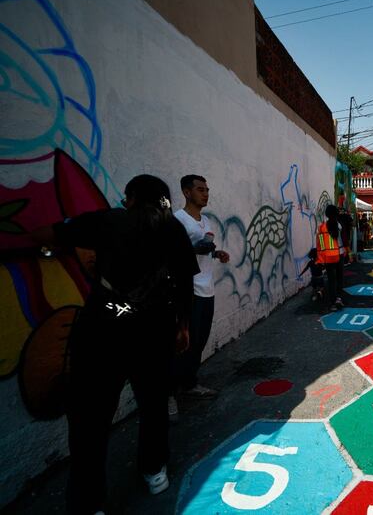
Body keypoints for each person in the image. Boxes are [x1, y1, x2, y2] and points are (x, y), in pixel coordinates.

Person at [31, 175, 198, 512]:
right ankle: (154, 471)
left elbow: (47, 235)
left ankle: (90, 501)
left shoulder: (107, 220)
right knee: (153, 406)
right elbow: (184, 285)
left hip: (104, 326)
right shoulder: (173, 230)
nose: (124, 201)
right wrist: (182, 328)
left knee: (90, 420)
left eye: (127, 196)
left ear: (133, 197)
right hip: (153, 330)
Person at [171, 175, 230, 419]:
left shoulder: (204, 220)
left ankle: (189, 384)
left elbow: (204, 250)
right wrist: (196, 248)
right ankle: (169, 395)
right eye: (200, 189)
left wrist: (217, 253)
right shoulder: (177, 220)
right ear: (186, 192)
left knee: (200, 341)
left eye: (207, 189)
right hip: (188, 290)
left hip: (208, 288)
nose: (205, 194)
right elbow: (173, 254)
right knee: (183, 343)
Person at [317, 205, 345, 311]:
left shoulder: (321, 228)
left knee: (331, 280)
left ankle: (332, 302)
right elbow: (344, 240)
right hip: (339, 254)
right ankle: (339, 299)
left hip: (328, 257)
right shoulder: (339, 226)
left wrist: (320, 259)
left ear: (327, 214)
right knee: (339, 278)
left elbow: (319, 245)